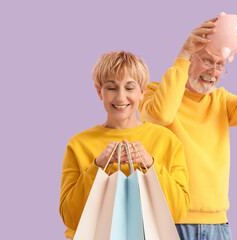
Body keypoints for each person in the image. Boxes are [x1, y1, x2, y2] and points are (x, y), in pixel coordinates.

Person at [138, 13, 237, 239]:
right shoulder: (153, 93)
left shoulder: (221, 101)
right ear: (189, 59)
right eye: (207, 60)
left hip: (217, 225)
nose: (213, 71)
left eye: (220, 64)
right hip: (167, 221)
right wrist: (183, 53)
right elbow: (162, 115)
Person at [59, 51, 190, 239]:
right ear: (99, 92)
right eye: (111, 88)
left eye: (129, 88)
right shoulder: (79, 144)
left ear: (142, 92)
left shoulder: (167, 141)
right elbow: (70, 217)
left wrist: (151, 165)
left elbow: (178, 212)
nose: (121, 98)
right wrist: (97, 167)